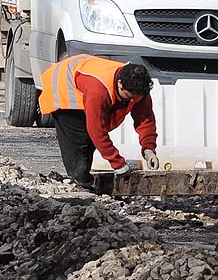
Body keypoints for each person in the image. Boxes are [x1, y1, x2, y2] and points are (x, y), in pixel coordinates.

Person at [38, 55, 159, 189]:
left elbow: (145, 119)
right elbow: (96, 129)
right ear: (120, 84)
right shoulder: (98, 91)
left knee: (89, 145)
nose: (132, 102)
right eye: (129, 97)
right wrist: (117, 162)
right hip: (64, 85)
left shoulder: (139, 89)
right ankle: (80, 181)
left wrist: (149, 149)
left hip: (84, 80)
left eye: (135, 98)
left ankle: (84, 181)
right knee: (80, 144)